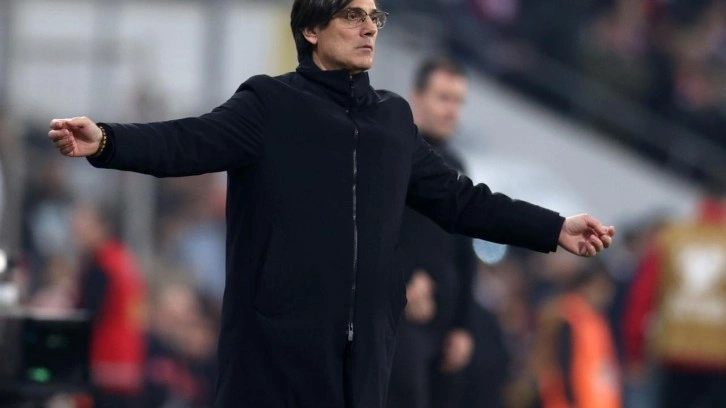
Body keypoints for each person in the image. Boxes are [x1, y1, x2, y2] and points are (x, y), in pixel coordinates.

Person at [47, 1, 615, 406]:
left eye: (375, 18)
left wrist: (554, 228)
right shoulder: (269, 104)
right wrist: (108, 140)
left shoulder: (393, 119)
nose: (369, 28)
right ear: (312, 29)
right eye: (352, 15)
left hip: (364, 360)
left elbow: (461, 200)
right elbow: (187, 141)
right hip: (273, 359)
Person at [387, 57, 478, 408]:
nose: (452, 110)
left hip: (442, 332)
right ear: (417, 97)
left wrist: (463, 326)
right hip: (396, 320)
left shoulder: (456, 167)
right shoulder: (391, 154)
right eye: (443, 98)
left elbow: (464, 253)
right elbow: (370, 230)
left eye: (458, 101)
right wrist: (401, 282)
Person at [622, 194, 726, 408]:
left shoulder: (671, 238)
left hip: (675, 350)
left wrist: (635, 351)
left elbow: (642, 297)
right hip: (719, 355)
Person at [71, 202, 147, 408]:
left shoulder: (101, 265)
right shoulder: (123, 259)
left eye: (83, 224)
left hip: (104, 364)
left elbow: (87, 314)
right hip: (127, 362)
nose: (75, 230)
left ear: (102, 227)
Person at [533, 262, 621, 408]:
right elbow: (560, 361)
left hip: (594, 400)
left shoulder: (593, 318)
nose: (607, 295)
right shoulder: (565, 316)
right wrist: (571, 397)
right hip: (572, 401)